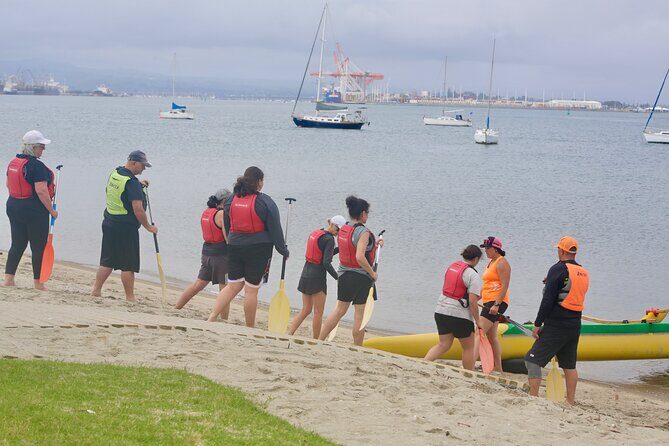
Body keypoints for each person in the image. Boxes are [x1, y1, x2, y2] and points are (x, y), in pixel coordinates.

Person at [207, 166, 288, 327]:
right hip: (258, 249)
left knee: (233, 286)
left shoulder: (230, 200)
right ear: (259, 182)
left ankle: (212, 317)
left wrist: (232, 241)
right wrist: (283, 250)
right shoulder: (265, 201)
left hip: (235, 246)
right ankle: (249, 327)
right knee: (251, 290)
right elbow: (275, 229)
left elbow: (228, 225)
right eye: (262, 180)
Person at [525, 236, 589, 405]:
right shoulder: (583, 272)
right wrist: (552, 283)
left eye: (558, 249)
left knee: (532, 360)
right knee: (569, 366)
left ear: (561, 250)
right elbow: (568, 289)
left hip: (556, 325)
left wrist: (537, 324)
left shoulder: (557, 269)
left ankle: (533, 398)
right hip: (574, 325)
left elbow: (548, 300)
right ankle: (570, 401)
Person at [91, 151, 157, 302]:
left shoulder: (116, 173)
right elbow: (138, 209)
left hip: (109, 222)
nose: (144, 169)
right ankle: (130, 297)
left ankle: (96, 290)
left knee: (107, 259)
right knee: (128, 264)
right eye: (143, 165)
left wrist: (138, 185)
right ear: (134, 163)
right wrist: (148, 227)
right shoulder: (132, 183)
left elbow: (121, 191)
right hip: (125, 227)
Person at [318, 196, 383, 346]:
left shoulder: (344, 229)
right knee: (359, 316)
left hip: (344, 276)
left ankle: (319, 340)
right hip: (360, 278)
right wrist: (372, 273)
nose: (367, 215)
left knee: (339, 310)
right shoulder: (363, 232)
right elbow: (360, 257)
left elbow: (356, 246)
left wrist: (376, 244)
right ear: (362, 214)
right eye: (367, 212)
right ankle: (357, 347)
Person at [4, 130, 58, 290]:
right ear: (32, 148)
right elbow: (41, 190)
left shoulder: (13, 162)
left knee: (18, 243)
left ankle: (8, 279)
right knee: (38, 246)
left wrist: (19, 203)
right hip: (34, 210)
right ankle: (38, 283)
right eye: (41, 146)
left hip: (13, 206)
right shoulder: (37, 166)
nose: (43, 150)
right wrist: (52, 211)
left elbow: (8, 185)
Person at [175, 189, 232, 319]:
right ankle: (224, 319)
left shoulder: (206, 212)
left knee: (198, 284)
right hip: (221, 255)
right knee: (225, 289)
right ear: (224, 201)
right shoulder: (222, 214)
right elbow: (227, 237)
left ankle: (177, 307)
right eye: (230, 200)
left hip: (206, 253)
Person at [424, 245, 484, 370]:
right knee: (468, 348)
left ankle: (424, 363)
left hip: (441, 311)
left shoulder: (452, 267)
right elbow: (473, 302)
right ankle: (469, 374)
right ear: (476, 259)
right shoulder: (473, 275)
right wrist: (478, 322)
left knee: (443, 344)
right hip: (459, 316)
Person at [287, 215, 346, 338]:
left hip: (305, 274)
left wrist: (339, 249)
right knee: (318, 313)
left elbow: (323, 253)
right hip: (317, 278)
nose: (338, 233)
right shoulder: (329, 239)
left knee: (306, 310)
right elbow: (326, 262)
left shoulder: (317, 233)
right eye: (339, 230)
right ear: (334, 225)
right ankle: (316, 340)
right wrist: (338, 277)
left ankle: (289, 333)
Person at [476, 236, 511, 372]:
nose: (486, 251)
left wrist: (496, 305)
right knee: (491, 337)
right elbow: (487, 285)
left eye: (488, 248)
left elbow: (504, 286)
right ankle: (498, 367)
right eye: (485, 248)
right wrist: (475, 298)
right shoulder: (490, 263)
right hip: (488, 301)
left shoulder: (502, 263)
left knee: (478, 333)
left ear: (496, 249)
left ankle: (468, 364)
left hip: (496, 302)